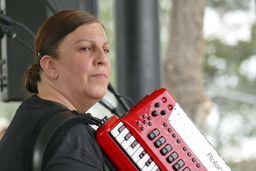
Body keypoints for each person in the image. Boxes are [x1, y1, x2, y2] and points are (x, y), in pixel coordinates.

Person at [0, 10, 111, 171]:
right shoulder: (71, 137)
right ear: (50, 65)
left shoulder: (30, 115)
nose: (103, 58)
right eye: (86, 48)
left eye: (106, 50)